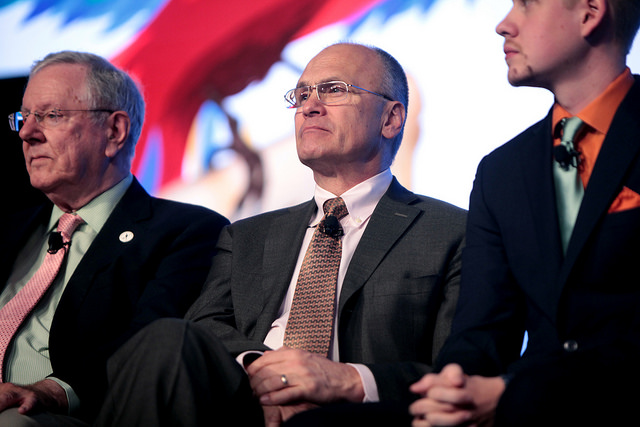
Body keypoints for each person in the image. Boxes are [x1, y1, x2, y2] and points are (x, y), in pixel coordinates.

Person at [93, 42, 466, 427]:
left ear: (391, 118)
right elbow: (204, 328)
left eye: (334, 89)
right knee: (165, 339)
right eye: (302, 94)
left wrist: (349, 382)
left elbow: (466, 370)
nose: (309, 105)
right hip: (240, 407)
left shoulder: (452, 233)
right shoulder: (245, 236)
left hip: (358, 416)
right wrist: (269, 374)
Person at [409, 0, 640, 425]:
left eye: (526, 6)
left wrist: (520, 395)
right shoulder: (501, 171)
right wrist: (451, 390)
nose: (503, 25)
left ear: (590, 13)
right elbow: (480, 331)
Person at [1, 51, 229, 425]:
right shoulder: (8, 231)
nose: (27, 133)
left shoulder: (187, 232)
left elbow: (149, 347)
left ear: (114, 132)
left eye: (52, 116)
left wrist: (51, 391)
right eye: (24, 117)